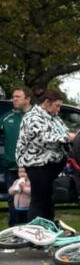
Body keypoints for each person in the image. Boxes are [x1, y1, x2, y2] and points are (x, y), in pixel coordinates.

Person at [16, 89, 77, 223]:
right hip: (38, 164)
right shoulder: (33, 117)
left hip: (53, 164)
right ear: (47, 102)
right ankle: (35, 230)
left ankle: (48, 228)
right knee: (39, 199)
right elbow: (42, 138)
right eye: (57, 106)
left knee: (48, 199)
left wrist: (73, 136)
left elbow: (65, 131)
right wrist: (67, 138)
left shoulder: (54, 117)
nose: (58, 109)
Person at [1, 86, 33, 225]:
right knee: (12, 198)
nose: (14, 99)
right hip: (12, 166)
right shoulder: (7, 117)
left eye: (18, 97)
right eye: (13, 96)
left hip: (33, 167)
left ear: (28, 99)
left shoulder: (37, 116)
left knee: (33, 198)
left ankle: (32, 227)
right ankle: (14, 228)